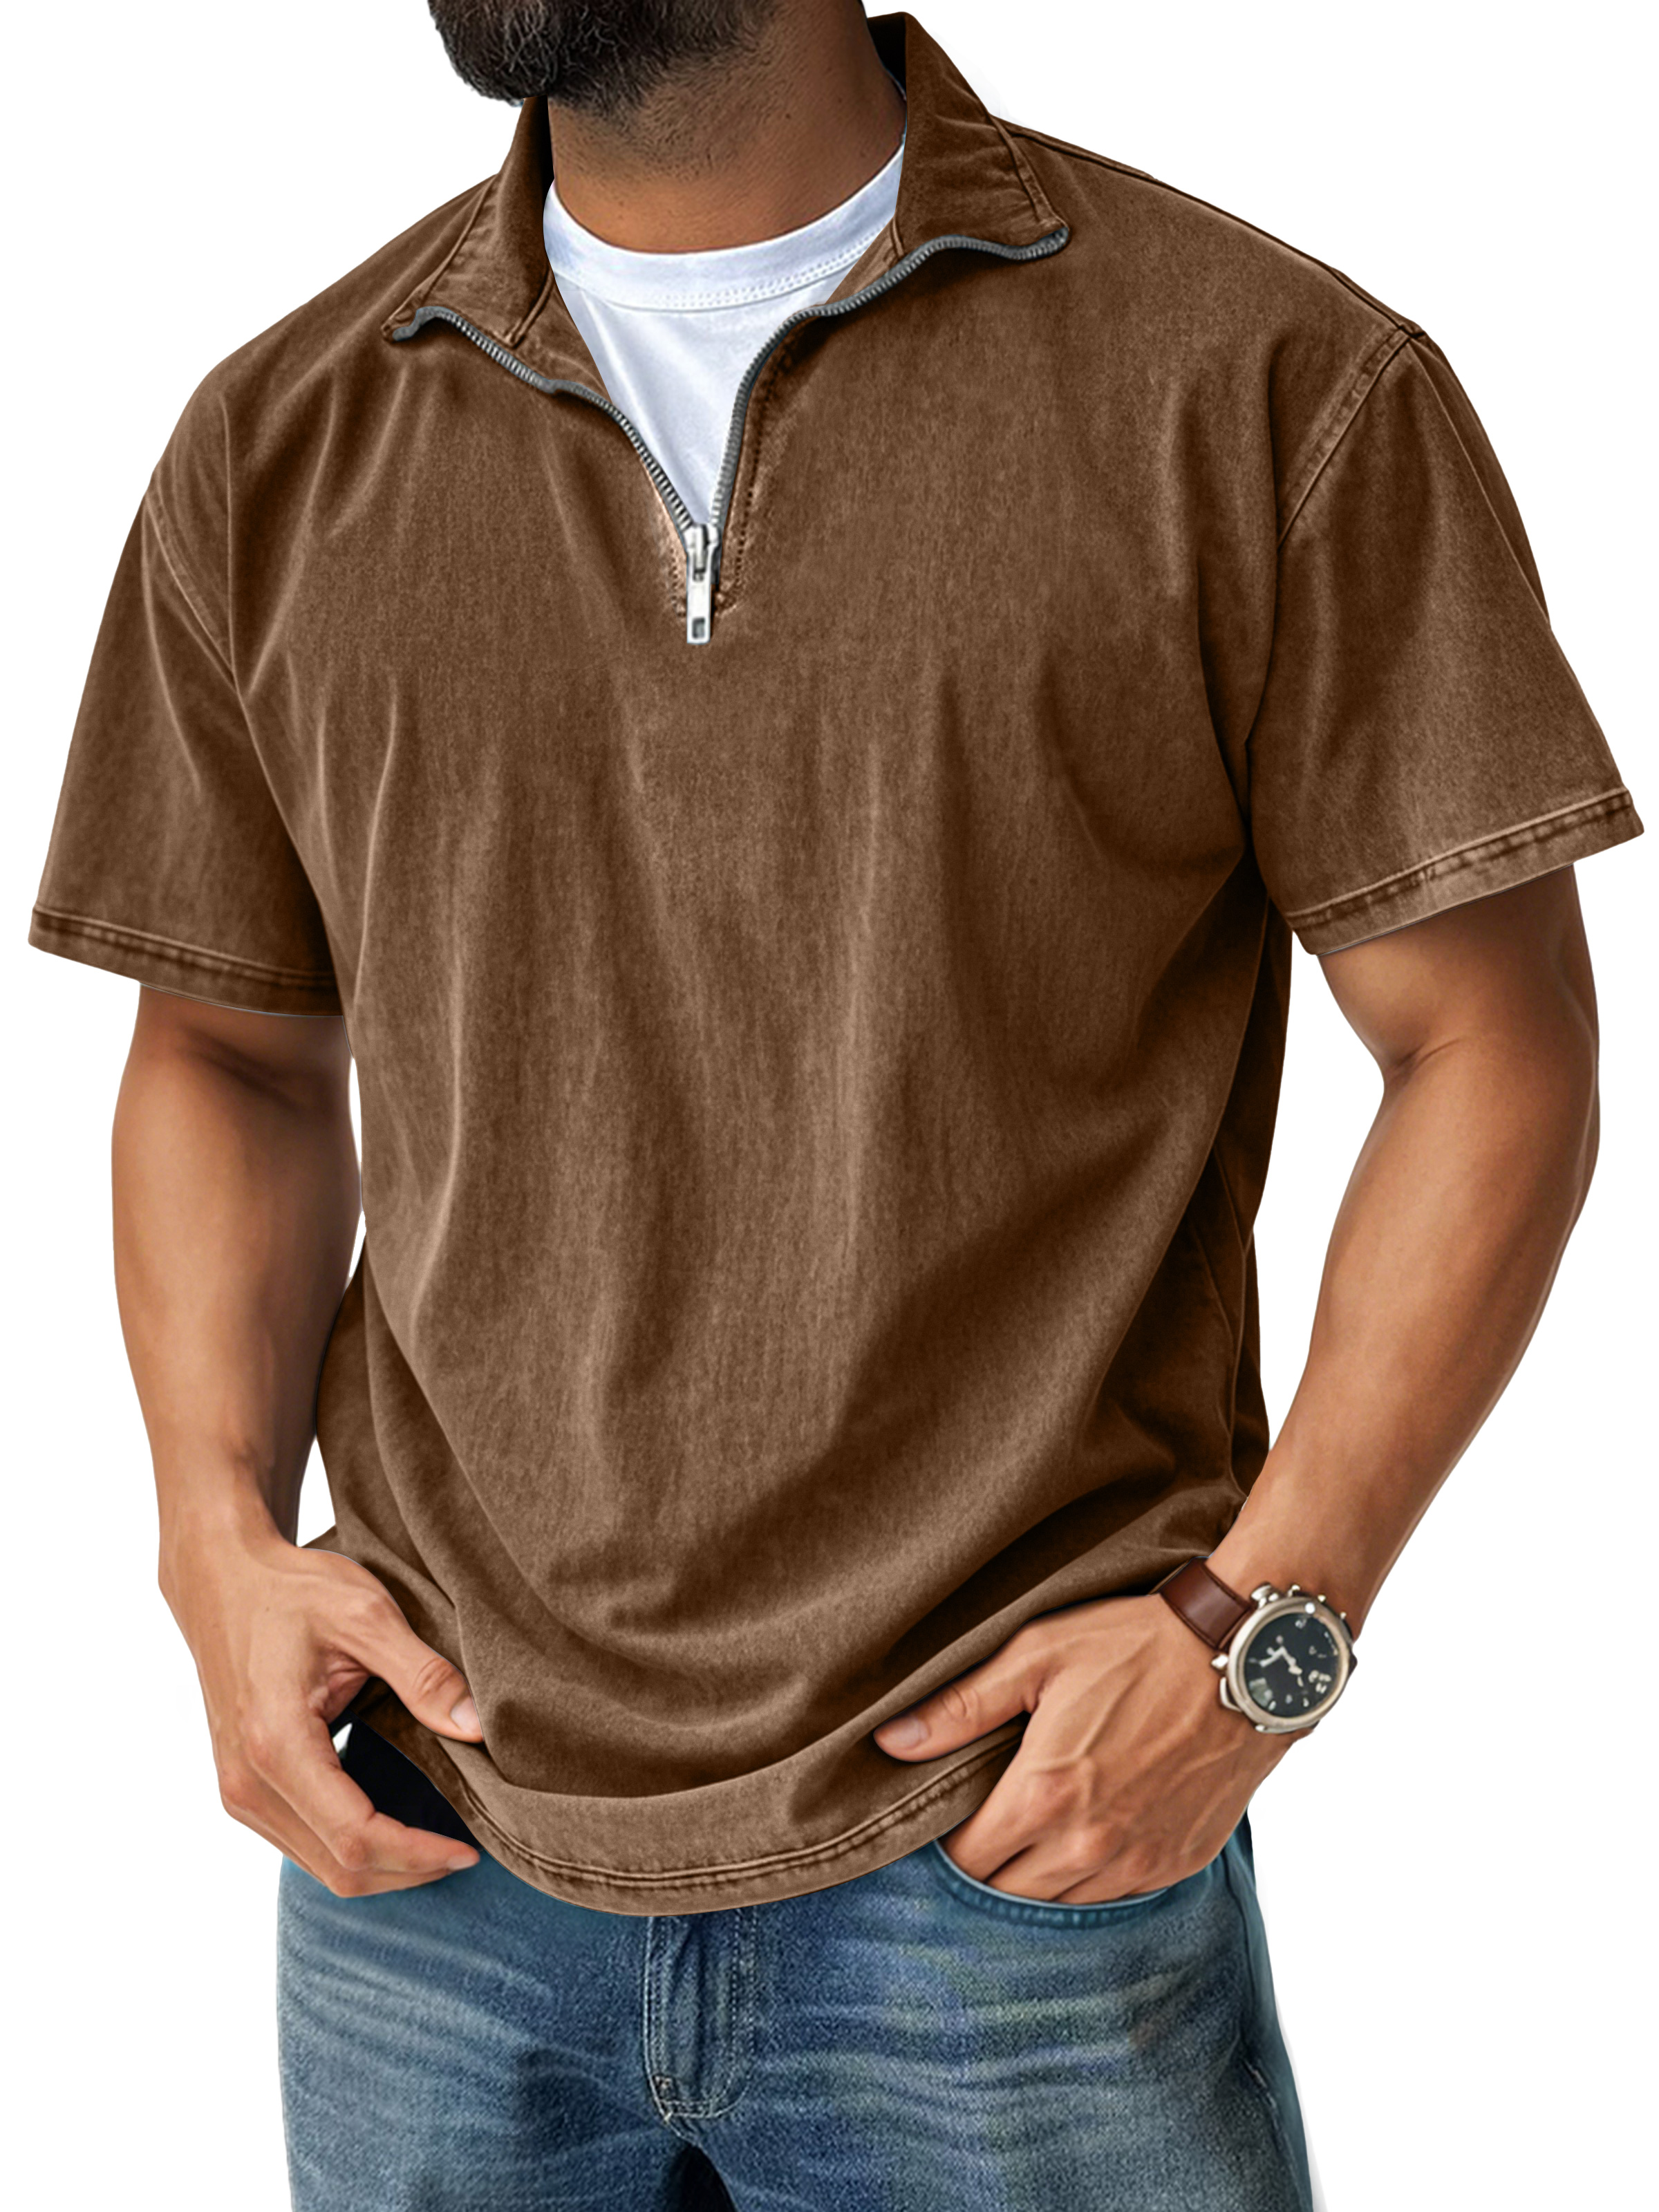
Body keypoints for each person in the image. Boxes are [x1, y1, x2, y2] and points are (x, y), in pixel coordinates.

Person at [26, 2, 1644, 2206]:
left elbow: (1492, 1042)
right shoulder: (280, 439)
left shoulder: (1259, 381)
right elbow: (225, 1044)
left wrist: (1264, 1635)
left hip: (1012, 1862)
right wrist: (212, 1542)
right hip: (430, 1846)